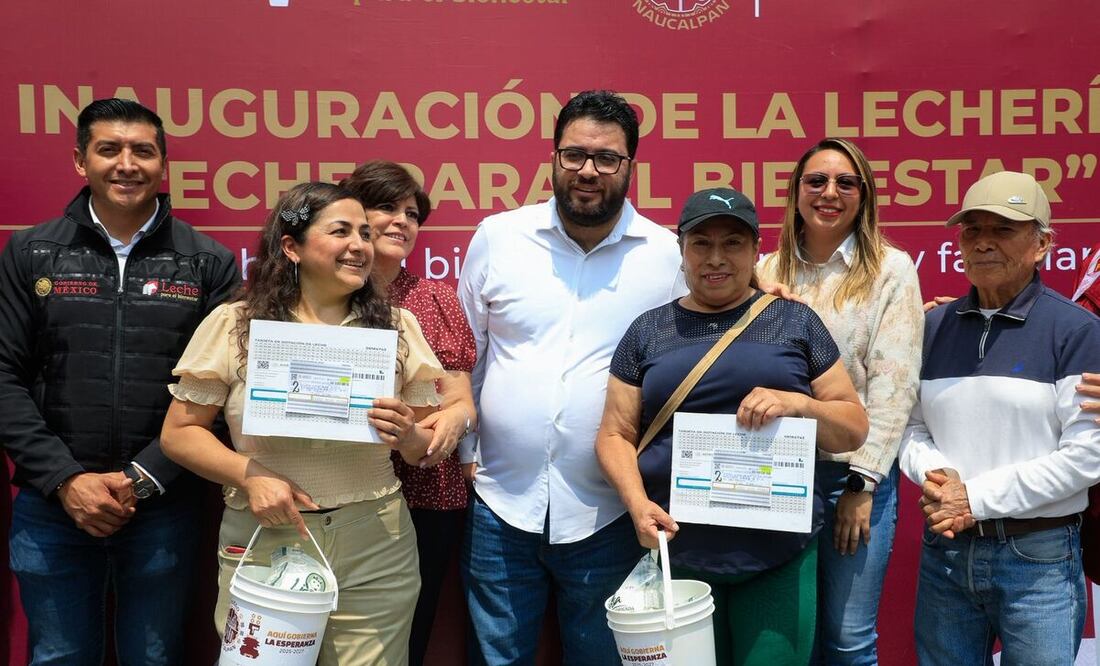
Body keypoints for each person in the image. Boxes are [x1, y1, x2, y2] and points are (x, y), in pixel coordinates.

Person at [160, 181, 445, 665]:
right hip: (267, 535)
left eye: (363, 233)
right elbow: (179, 434)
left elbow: (422, 450)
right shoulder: (236, 324)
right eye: (340, 232)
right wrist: (251, 477)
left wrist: (412, 435)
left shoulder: (397, 327)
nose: (359, 244)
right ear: (291, 247)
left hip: (376, 540)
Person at [0, 98, 240, 664]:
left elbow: (221, 393)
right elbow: (4, 375)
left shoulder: (208, 263)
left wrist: (146, 477)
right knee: (58, 656)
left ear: (163, 164)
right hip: (51, 503)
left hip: (161, 504)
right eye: (109, 149)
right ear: (81, 161)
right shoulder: (31, 251)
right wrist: (65, 480)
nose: (126, 164)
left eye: (143, 151)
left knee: (154, 657)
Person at [456, 89, 686, 665]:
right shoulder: (499, 237)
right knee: (497, 658)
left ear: (630, 166)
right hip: (501, 499)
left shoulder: (667, 256)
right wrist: (464, 446)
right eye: (574, 155)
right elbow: (468, 355)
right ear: (553, 158)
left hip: (610, 509)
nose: (588, 171)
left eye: (607, 158)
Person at [596, 187, 868, 665]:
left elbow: (852, 426)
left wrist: (798, 405)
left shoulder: (795, 322)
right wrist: (637, 505)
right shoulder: (647, 331)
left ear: (756, 250)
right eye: (701, 243)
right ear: (681, 251)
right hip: (676, 555)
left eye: (733, 244)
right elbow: (615, 434)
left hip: (776, 556)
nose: (716, 258)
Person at [899, 171, 1100, 665]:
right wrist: (939, 479)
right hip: (946, 551)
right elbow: (908, 426)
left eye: (1003, 230)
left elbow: (1087, 457)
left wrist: (974, 498)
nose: (984, 243)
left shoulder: (1077, 330)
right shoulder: (931, 326)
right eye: (972, 230)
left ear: (1042, 245)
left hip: (1040, 559)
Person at [757, 138, 923, 664]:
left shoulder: (890, 271)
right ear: (796, 192)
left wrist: (862, 483)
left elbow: (893, 388)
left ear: (864, 195)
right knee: (790, 637)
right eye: (816, 181)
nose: (830, 193)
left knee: (848, 640)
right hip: (774, 475)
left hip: (851, 478)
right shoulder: (765, 270)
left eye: (845, 183)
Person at [341, 160, 478, 666]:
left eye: (412, 213)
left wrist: (451, 423)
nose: (402, 221)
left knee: (402, 639)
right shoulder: (307, 298)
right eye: (386, 207)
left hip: (426, 493)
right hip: (330, 488)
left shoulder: (437, 300)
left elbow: (462, 400)